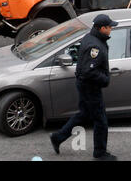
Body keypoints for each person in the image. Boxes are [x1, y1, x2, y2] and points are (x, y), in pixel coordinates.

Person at [50, 14, 119, 161]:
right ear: (102, 28)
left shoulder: (91, 37)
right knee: (101, 121)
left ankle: (57, 137)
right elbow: (89, 70)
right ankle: (100, 153)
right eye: (110, 27)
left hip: (85, 85)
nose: (111, 29)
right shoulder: (95, 46)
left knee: (84, 115)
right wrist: (105, 79)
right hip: (90, 88)